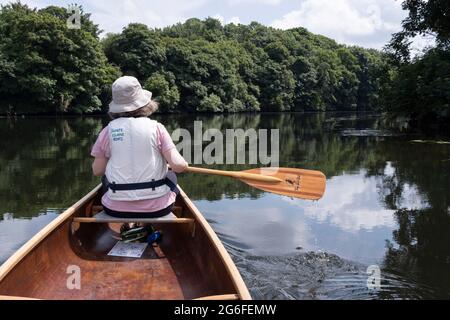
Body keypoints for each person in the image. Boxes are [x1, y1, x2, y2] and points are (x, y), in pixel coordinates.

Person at [91, 76, 188, 219]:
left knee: (106, 178)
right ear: (145, 103)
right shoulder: (157, 128)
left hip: (115, 210)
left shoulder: (107, 131)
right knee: (171, 176)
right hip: (157, 210)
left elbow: (98, 171)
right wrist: (179, 165)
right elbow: (179, 166)